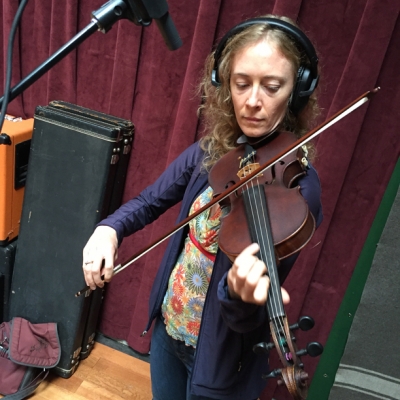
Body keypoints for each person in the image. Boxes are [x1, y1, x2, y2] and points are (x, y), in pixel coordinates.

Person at [82, 15, 323, 400]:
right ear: (224, 84)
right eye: (241, 84)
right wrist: (109, 229)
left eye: (272, 86)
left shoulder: (298, 192)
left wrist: (240, 294)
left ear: (297, 91)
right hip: (169, 327)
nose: (253, 101)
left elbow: (243, 320)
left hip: (220, 361)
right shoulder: (212, 152)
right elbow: (149, 201)